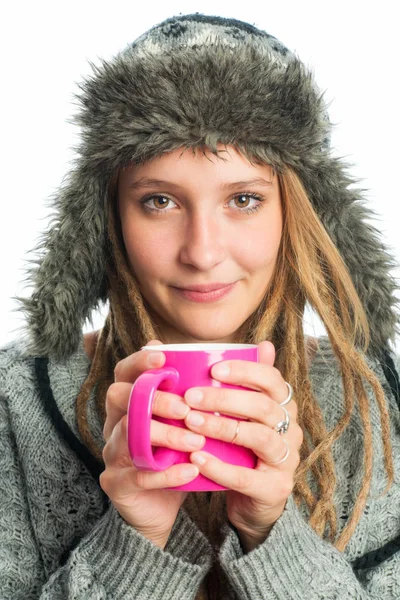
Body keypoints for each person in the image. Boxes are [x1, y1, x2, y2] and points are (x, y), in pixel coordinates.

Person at [1, 12, 400, 600]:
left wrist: (272, 534)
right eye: (159, 201)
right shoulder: (16, 402)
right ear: (106, 219)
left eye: (243, 199)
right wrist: (133, 537)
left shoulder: (372, 403)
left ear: (297, 213)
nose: (203, 253)